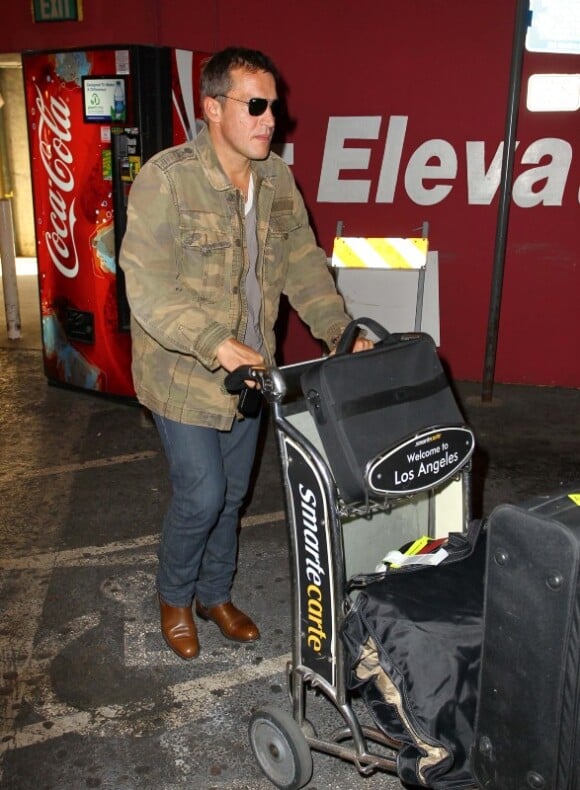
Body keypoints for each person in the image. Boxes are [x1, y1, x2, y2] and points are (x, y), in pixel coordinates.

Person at [119, 46, 372, 660]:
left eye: (273, 108)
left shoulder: (277, 179)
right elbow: (146, 283)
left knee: (234, 493)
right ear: (211, 107)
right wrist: (215, 343)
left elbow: (305, 266)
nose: (269, 120)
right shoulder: (167, 179)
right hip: (184, 371)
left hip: (257, 371)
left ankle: (214, 593)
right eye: (255, 106)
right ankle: (175, 598)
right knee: (202, 493)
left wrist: (339, 332)